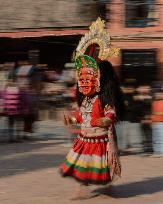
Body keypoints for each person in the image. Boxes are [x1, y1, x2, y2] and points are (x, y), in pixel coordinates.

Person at [60, 18, 125, 200]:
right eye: (82, 78)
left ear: (97, 79)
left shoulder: (103, 98)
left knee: (101, 167)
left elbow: (111, 114)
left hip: (100, 139)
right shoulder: (85, 101)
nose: (84, 82)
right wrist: (71, 120)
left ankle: (107, 187)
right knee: (83, 166)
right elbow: (82, 118)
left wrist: (105, 120)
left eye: (88, 77)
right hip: (84, 138)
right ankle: (81, 189)